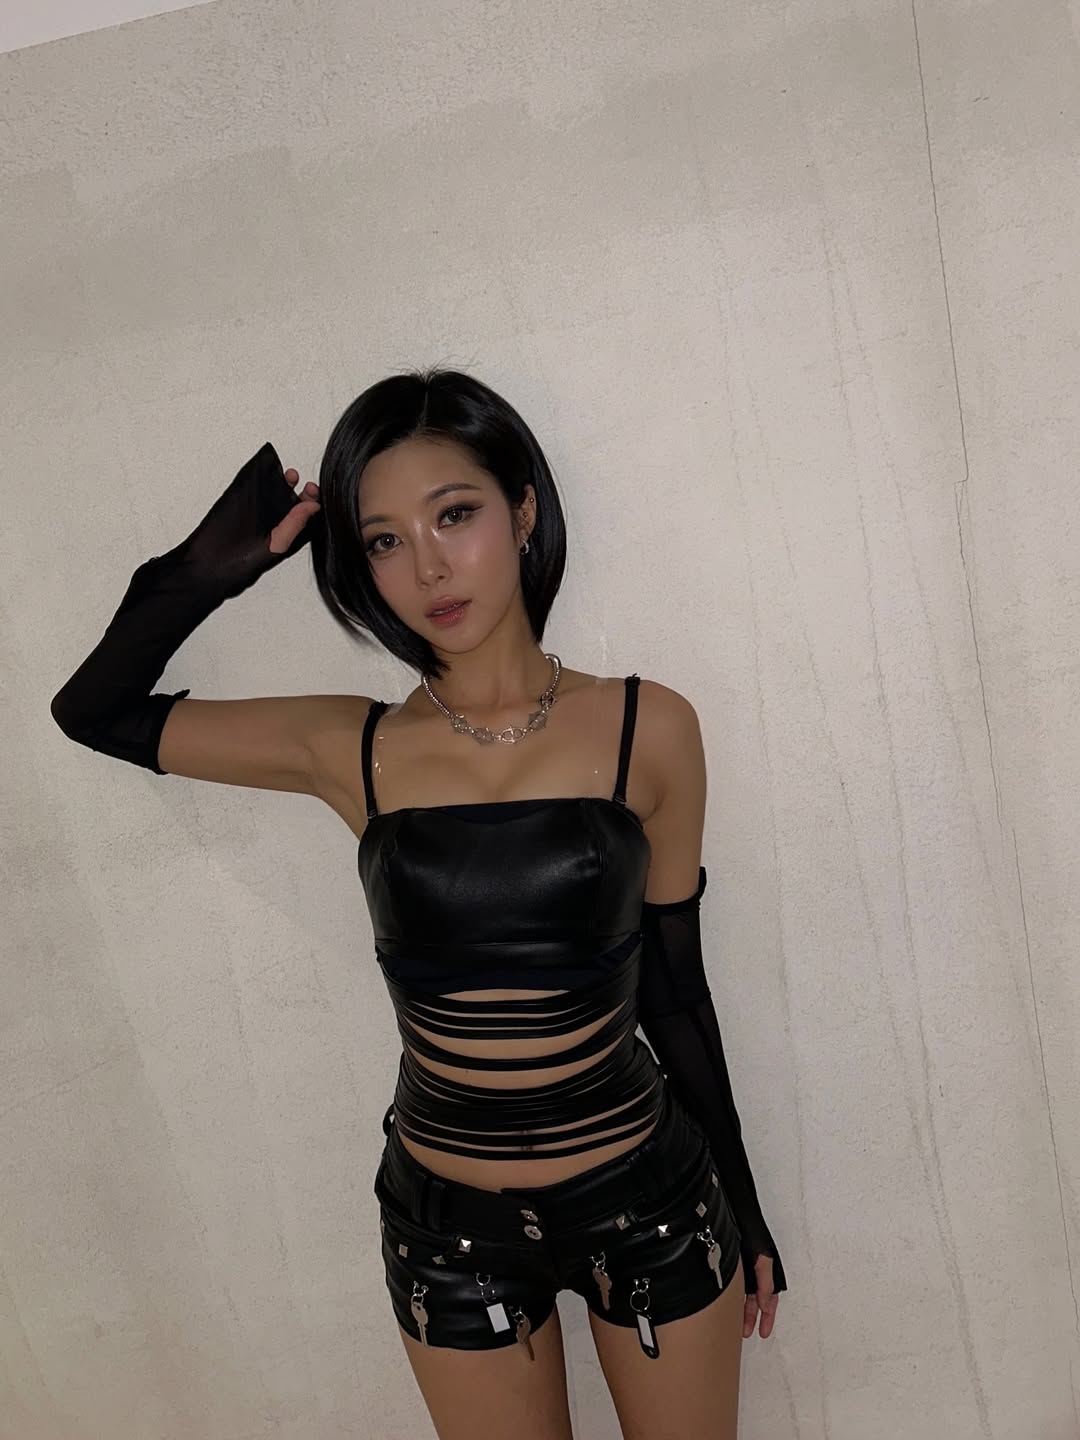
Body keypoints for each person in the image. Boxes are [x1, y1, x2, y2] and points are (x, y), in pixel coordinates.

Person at [51, 367, 786, 1440]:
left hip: (651, 1201)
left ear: (523, 511)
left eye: (454, 515)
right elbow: (94, 712)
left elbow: (675, 990)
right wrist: (208, 571)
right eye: (384, 540)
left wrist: (746, 1205)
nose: (428, 566)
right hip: (448, 1233)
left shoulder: (650, 726)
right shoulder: (351, 747)